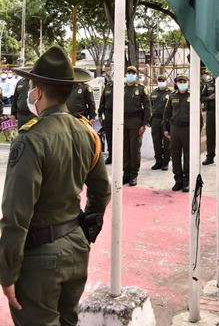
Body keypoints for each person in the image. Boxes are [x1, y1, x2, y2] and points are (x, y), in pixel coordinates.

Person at [0, 46, 111, 325]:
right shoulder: (86, 133)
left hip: (40, 257)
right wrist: (87, 230)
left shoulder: (31, 140)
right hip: (75, 246)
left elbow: (16, 216)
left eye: (32, 86)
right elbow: (101, 190)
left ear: (38, 92)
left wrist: (8, 272)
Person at [163, 74, 201, 193]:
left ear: (188, 83)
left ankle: (187, 181)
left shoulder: (193, 96)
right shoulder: (172, 96)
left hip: (188, 129)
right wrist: (165, 128)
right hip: (175, 129)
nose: (182, 83)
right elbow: (166, 114)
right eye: (180, 81)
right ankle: (178, 180)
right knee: (175, 155)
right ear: (176, 83)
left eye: (184, 81)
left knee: (188, 156)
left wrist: (197, 132)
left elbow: (199, 117)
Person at [123, 65, 150, 186]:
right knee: (125, 149)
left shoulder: (140, 89)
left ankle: (134, 175)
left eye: (132, 73)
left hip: (136, 121)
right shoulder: (121, 88)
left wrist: (144, 124)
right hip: (123, 121)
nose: (130, 75)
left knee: (134, 149)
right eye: (128, 72)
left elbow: (148, 108)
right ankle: (126, 174)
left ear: (136, 75)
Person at [149, 74, 172, 170]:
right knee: (156, 142)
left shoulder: (170, 93)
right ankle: (158, 161)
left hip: (166, 121)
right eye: (159, 80)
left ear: (166, 81)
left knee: (166, 143)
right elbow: (150, 106)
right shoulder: (154, 92)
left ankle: (165, 162)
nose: (161, 82)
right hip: (155, 120)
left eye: (163, 80)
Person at [98, 78, 113, 164]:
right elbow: (102, 101)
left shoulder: (124, 87)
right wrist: (100, 113)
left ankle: (121, 157)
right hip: (108, 115)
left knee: (120, 138)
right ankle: (111, 156)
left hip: (119, 116)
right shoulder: (107, 87)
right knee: (109, 137)